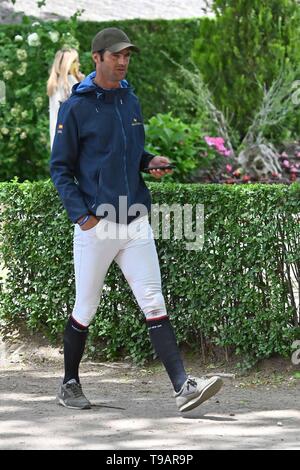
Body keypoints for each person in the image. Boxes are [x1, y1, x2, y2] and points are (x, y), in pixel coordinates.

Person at [50, 27, 223, 412]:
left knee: (153, 300)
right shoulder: (75, 107)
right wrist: (82, 216)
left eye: (127, 55)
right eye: (116, 55)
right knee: (86, 308)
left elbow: (128, 151)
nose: (123, 61)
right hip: (97, 224)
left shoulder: (130, 99)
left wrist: (148, 161)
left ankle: (183, 387)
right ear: (96, 58)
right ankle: (69, 384)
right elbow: (60, 167)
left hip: (135, 220)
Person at [47, 48, 85, 149]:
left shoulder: (54, 84)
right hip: (71, 142)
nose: (79, 64)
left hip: (57, 141)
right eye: (76, 61)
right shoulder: (70, 84)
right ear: (68, 64)